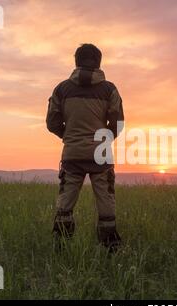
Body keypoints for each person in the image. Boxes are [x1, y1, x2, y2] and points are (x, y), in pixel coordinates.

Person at [46, 43, 124, 252]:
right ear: (99, 61)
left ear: (76, 61)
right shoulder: (109, 89)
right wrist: (104, 139)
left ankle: (61, 247)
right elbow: (118, 123)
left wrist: (70, 137)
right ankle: (110, 248)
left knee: (66, 202)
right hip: (101, 154)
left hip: (72, 153)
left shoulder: (61, 89)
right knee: (105, 200)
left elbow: (52, 123)